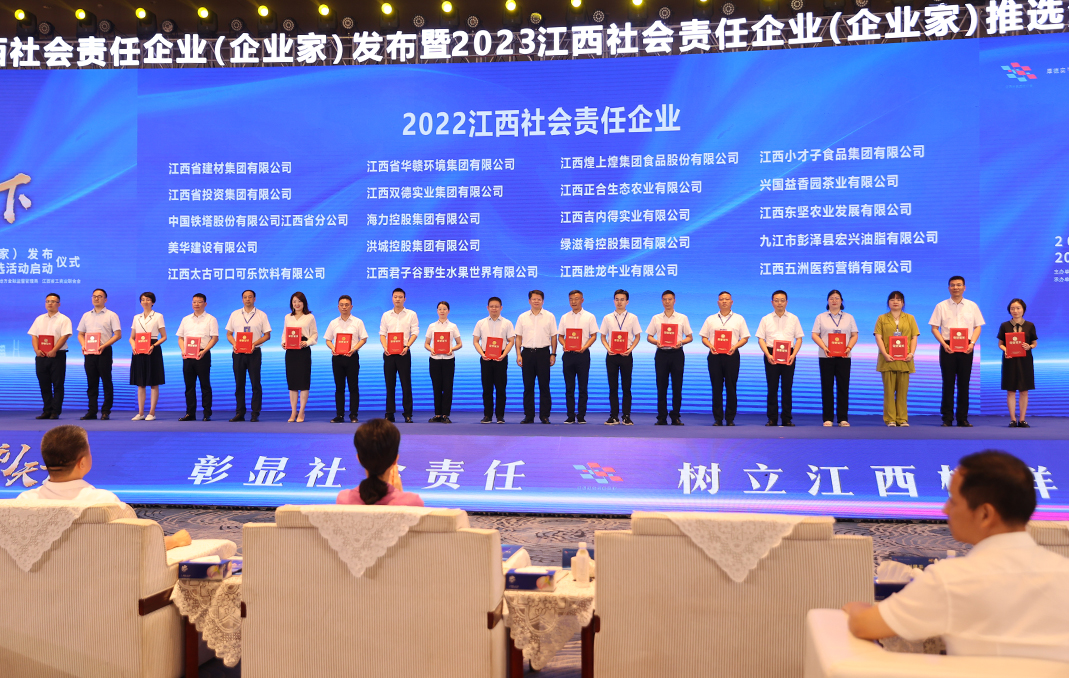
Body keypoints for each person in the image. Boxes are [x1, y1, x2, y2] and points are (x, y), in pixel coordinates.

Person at [842, 450, 1069, 663]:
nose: (945, 510)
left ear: (985, 514)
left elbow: (863, 625)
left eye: (953, 500)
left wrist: (854, 607)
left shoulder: (950, 580)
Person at [18, 425, 192, 550]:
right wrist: (174, 541)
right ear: (82, 462)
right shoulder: (105, 502)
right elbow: (137, 545)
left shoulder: (24, 502)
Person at [929, 275, 985, 427]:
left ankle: (962, 418)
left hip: (967, 347)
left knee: (964, 383)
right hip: (947, 346)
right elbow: (934, 328)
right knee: (947, 383)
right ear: (949, 288)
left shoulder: (972, 306)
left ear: (964, 287)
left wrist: (972, 343)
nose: (956, 288)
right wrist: (943, 344)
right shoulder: (941, 306)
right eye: (953, 285)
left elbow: (978, 326)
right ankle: (947, 418)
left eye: (959, 285)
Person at [337, 418, 424, 506]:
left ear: (358, 458)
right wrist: (399, 494)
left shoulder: (344, 499)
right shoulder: (412, 502)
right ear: (395, 459)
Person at [698, 291, 750, 426]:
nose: (724, 301)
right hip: (715, 356)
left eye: (727, 299)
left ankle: (730, 418)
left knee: (731, 387)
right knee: (716, 387)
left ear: (731, 302)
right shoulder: (710, 319)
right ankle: (718, 418)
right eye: (721, 299)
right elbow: (704, 337)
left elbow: (745, 338)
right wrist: (710, 346)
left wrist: (735, 346)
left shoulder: (739, 319)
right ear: (718, 302)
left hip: (732, 355)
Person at [755, 290, 804, 427]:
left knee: (787, 388)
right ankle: (772, 418)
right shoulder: (765, 319)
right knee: (772, 387)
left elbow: (799, 338)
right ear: (772, 302)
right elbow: (761, 339)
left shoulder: (794, 318)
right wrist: (768, 354)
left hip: (789, 354)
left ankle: (787, 418)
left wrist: (793, 355)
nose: (779, 303)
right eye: (776, 300)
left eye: (782, 300)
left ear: (787, 302)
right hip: (771, 353)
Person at [810, 290, 858, 427]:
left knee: (843, 386)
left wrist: (849, 347)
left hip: (844, 356)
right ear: (827, 301)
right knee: (827, 386)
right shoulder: (821, 317)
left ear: (841, 301)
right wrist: (824, 347)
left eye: (837, 298)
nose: (834, 301)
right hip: (826, 356)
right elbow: (814, 335)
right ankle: (828, 418)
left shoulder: (849, 317)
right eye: (831, 298)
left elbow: (854, 335)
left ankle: (843, 418)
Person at [646, 290, 693, 426]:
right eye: (665, 299)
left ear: (674, 301)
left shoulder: (682, 318)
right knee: (661, 386)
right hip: (661, 354)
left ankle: (675, 416)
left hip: (677, 354)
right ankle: (661, 416)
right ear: (662, 301)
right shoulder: (656, 318)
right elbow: (649, 336)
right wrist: (656, 342)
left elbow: (690, 337)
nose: (667, 302)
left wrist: (681, 342)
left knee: (677, 386)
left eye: (670, 299)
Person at [224, 290, 272, 422]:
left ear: (254, 299)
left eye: (250, 297)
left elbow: (267, 335)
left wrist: (254, 344)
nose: (247, 299)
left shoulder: (261, 315)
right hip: (238, 353)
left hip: (254, 353)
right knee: (239, 384)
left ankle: (255, 413)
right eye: (245, 297)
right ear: (242, 299)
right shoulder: (235, 314)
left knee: (255, 383)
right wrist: (234, 344)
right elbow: (229, 334)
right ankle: (240, 413)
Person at [874, 291, 919, 427]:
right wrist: (885, 354)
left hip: (905, 360)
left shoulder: (910, 318)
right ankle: (890, 419)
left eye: (898, 299)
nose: (895, 302)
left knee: (902, 392)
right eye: (892, 299)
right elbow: (878, 337)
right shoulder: (882, 318)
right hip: (888, 359)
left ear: (903, 303)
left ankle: (902, 418)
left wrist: (911, 353)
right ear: (888, 302)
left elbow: (914, 337)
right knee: (888, 391)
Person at [75, 289, 122, 421]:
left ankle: (106, 411)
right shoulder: (86, 315)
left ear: (105, 300)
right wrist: (83, 345)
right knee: (91, 383)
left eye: (99, 296)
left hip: (104, 351)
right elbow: (80, 334)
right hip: (89, 352)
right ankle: (92, 411)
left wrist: (104, 345)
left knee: (106, 382)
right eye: (94, 296)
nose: (96, 298)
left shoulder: (111, 315)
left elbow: (118, 335)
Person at [600, 289, 642, 426]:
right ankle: (613, 416)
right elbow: (603, 336)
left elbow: (637, 336)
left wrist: (630, 349)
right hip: (611, 356)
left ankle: (626, 416)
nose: (619, 302)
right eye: (617, 299)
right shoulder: (607, 318)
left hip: (626, 356)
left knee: (626, 387)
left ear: (627, 302)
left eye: (622, 299)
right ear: (614, 301)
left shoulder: (633, 318)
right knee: (613, 387)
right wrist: (608, 349)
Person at [324, 295, 368, 424]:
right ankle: (340, 415)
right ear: (338, 307)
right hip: (337, 358)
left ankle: (353, 414)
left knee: (353, 387)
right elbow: (328, 339)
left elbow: (364, 339)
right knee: (339, 387)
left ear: (351, 307)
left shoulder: (358, 322)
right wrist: (333, 348)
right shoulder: (333, 323)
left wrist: (354, 349)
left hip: (352, 357)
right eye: (342, 305)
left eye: (347, 305)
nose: (344, 307)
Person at [516, 290, 558, 424]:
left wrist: (553, 354)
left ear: (543, 301)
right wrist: (518, 354)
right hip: (527, 353)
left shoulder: (549, 316)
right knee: (528, 386)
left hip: (543, 353)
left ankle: (544, 415)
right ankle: (529, 416)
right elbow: (518, 337)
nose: (536, 301)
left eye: (539, 299)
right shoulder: (522, 317)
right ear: (529, 301)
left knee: (544, 385)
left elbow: (554, 336)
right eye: (534, 299)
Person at [558, 290, 599, 425]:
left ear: (582, 300)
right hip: (568, 355)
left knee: (583, 387)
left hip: (583, 355)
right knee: (569, 387)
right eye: (571, 299)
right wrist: (565, 345)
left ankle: (581, 415)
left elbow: (594, 335)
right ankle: (570, 415)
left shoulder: (589, 316)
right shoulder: (564, 317)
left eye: (576, 299)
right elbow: (560, 336)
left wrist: (585, 347)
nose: (573, 302)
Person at [28, 292, 72, 420]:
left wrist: (54, 350)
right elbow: (34, 336)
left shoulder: (64, 319)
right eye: (48, 301)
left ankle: (55, 411)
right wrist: (36, 350)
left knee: (57, 384)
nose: (50, 304)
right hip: (41, 355)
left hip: (57, 355)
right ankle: (47, 410)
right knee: (44, 384)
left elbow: (64, 336)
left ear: (59, 304)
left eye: (53, 301)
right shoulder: (39, 319)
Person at [176, 293, 218, 422]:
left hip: (202, 354)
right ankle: (190, 413)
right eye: (194, 302)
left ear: (205, 304)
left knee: (205, 385)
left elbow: (214, 338)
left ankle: (207, 413)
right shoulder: (186, 319)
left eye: (199, 302)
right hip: (188, 355)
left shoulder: (211, 319)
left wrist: (204, 351)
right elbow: (181, 338)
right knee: (189, 386)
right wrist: (183, 350)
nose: (196, 304)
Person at [380, 288, 419, 423]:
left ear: (404, 299)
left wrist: (407, 346)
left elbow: (415, 332)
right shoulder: (386, 315)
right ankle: (389, 413)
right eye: (395, 297)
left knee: (406, 384)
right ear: (392, 298)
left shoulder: (411, 314)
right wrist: (385, 347)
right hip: (389, 353)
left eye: (400, 297)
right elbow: (382, 334)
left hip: (404, 352)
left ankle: (408, 414)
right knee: (389, 384)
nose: (398, 299)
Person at [473, 297, 515, 424]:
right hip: (486, 357)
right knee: (487, 388)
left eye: (496, 306)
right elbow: (476, 341)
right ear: (487, 308)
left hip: (501, 357)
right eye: (491, 306)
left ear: (501, 308)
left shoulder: (507, 323)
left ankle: (500, 416)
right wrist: (482, 354)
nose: (494, 308)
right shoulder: (481, 323)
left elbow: (511, 341)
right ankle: (487, 415)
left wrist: (504, 354)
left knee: (501, 388)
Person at [998, 298, 1037, 428]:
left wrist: (1029, 346)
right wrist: (1006, 350)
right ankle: (1013, 420)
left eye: (1018, 308)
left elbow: (1034, 342)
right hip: (1009, 361)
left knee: (1024, 390)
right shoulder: (1005, 325)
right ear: (1009, 310)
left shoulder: (1030, 325)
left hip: (1025, 361)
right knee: (1011, 390)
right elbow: (1000, 344)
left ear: (1023, 310)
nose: (1015, 311)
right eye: (1012, 308)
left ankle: (1022, 419)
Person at [128, 292, 167, 421]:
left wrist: (153, 345)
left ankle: (152, 412)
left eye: (148, 299)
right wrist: (133, 345)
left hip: (153, 349)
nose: (145, 302)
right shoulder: (136, 317)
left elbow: (164, 337)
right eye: (143, 299)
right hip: (138, 350)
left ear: (153, 302)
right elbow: (132, 337)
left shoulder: (158, 316)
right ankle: (140, 413)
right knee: (140, 383)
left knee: (154, 382)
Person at [281, 291, 318, 423]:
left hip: (303, 350)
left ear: (304, 303)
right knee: (292, 383)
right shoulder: (288, 317)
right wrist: (283, 343)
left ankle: (301, 411)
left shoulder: (310, 317)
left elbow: (314, 334)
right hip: (291, 352)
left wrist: (307, 342)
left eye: (299, 301)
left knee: (303, 382)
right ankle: (293, 411)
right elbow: (284, 333)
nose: (297, 304)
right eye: (294, 301)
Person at [423, 301, 462, 423]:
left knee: (448, 387)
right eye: (440, 309)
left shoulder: (453, 326)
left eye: (444, 309)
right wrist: (431, 349)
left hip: (448, 360)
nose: (442, 311)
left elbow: (459, 344)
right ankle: (437, 414)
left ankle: (445, 414)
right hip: (435, 360)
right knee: (436, 387)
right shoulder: (432, 326)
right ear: (437, 311)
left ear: (448, 311)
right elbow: (426, 344)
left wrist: (452, 349)